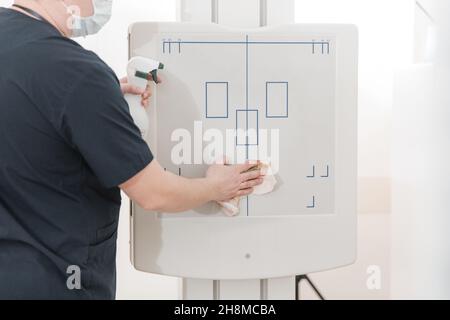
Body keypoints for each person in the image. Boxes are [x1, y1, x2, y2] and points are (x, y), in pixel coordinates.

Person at [0, 0, 263, 300]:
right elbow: (154, 193)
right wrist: (217, 186)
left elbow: (30, 119)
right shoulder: (76, 72)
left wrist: (97, 105)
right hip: (54, 283)